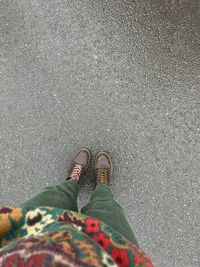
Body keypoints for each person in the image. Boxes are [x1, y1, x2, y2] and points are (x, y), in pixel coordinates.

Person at [0, 149, 153, 266]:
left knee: (54, 198)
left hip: (18, 246)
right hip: (110, 260)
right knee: (108, 212)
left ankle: (72, 182)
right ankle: (101, 188)